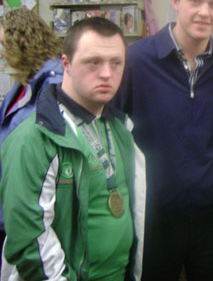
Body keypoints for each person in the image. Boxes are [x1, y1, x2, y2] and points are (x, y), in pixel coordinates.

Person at [114, 0, 213, 280]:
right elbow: (114, 132)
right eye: (195, 1)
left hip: (211, 217)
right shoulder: (137, 60)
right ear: (175, 0)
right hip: (153, 216)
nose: (204, 12)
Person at [0, 17, 146, 281]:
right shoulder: (33, 138)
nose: (106, 74)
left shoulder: (122, 131)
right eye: (94, 62)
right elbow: (29, 239)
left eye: (116, 63)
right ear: (65, 63)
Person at [0, 7, 63, 261]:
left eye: (5, 44)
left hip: (33, 201)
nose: (2, 53)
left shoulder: (54, 84)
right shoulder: (22, 82)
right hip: (12, 198)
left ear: (22, 42)